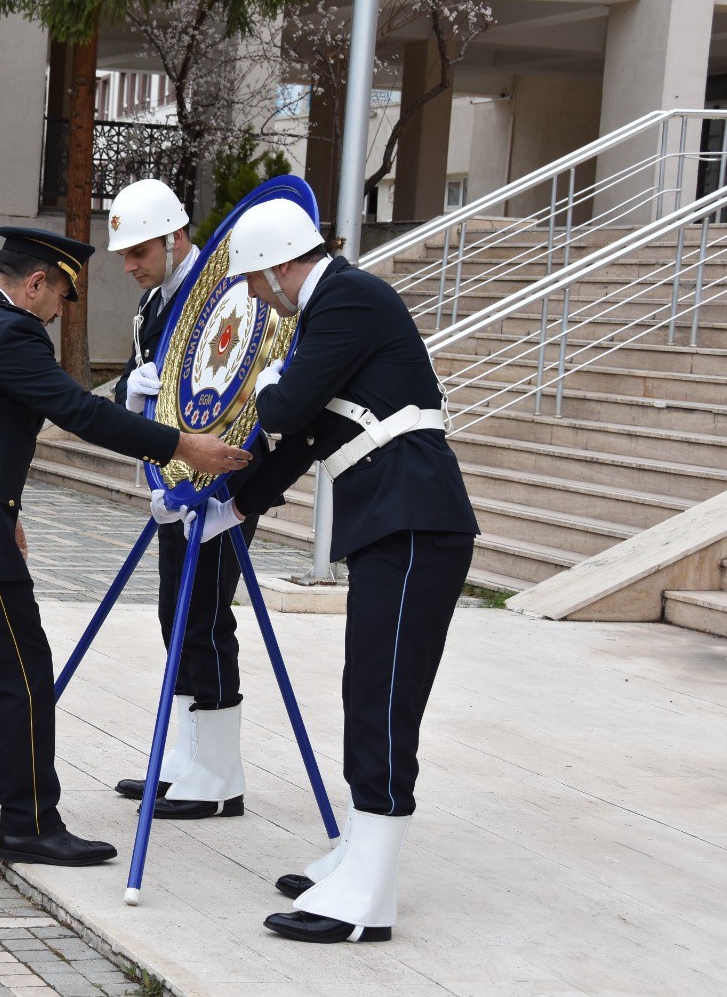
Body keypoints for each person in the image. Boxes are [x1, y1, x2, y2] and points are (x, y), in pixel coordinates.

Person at [0, 225, 252, 880]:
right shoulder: (11, 333)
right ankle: (31, 826)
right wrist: (182, 446)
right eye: (60, 298)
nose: (58, 313)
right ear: (35, 282)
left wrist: (8, 505)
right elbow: (82, 414)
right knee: (20, 682)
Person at [184, 195, 479, 943]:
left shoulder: (347, 297)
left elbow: (287, 409)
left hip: (414, 518)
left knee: (382, 696)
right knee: (367, 688)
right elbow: (307, 439)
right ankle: (358, 850)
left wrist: (264, 382)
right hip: (394, 519)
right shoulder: (334, 311)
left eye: (256, 283)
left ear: (284, 264)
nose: (259, 299)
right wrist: (233, 506)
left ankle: (369, 896)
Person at [106, 179, 268, 821]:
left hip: (226, 483)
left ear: (175, 240)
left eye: (138, 252)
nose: (129, 266)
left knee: (204, 615)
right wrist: (134, 394)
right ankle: (185, 754)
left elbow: (248, 375)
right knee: (175, 614)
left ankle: (221, 772)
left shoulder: (228, 292)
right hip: (173, 484)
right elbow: (138, 384)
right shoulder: (154, 305)